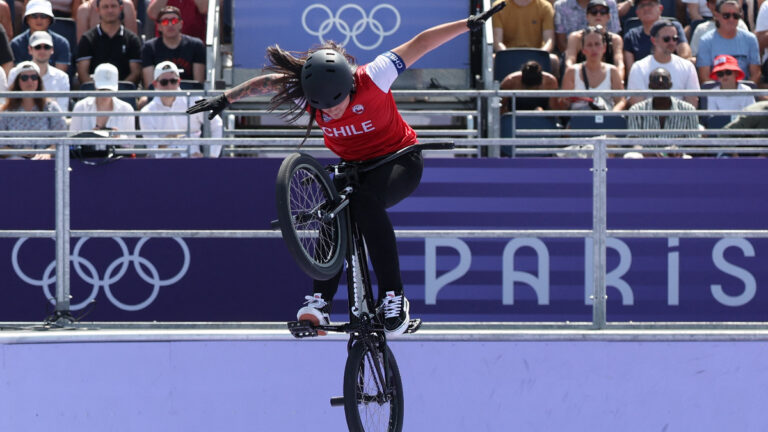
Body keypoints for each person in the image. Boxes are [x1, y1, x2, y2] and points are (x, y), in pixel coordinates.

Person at [187, 5, 506, 335]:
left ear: (349, 85)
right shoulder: (307, 94)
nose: (333, 112)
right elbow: (268, 82)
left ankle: (394, 298)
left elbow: (420, 43)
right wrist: (224, 99)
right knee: (331, 212)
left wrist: (468, 24)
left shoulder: (375, 76)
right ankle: (319, 304)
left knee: (365, 201)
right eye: (324, 107)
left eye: (337, 103)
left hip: (398, 160)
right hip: (354, 166)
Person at [140, 61, 222, 158]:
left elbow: (217, 125)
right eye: (164, 82)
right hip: (162, 164)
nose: (169, 86)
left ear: (179, 82)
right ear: (155, 84)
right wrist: (166, 142)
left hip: (192, 160)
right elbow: (151, 149)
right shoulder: (147, 112)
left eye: (173, 81)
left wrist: (211, 156)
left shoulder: (195, 101)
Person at [0, 61, 66, 159]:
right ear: (17, 82)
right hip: (15, 163)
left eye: (34, 77)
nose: (30, 81)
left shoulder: (51, 108)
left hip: (45, 163)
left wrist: (47, 153)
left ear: (39, 81)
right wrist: (17, 152)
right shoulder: (6, 111)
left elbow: (61, 139)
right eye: (24, 78)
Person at [626, 19, 700, 107]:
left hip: (680, 118)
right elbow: (637, 104)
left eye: (675, 38)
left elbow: (692, 103)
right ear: (654, 40)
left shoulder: (688, 67)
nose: (672, 42)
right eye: (666, 39)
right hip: (647, 119)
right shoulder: (638, 67)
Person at [76, 0, 142, 85]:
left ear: (121, 8)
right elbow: (82, 72)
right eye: (105, 7)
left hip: (124, 93)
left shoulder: (132, 39)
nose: (110, 10)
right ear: (98, 10)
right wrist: (98, 92)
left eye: (113, 6)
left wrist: (119, 91)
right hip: (94, 93)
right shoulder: (87, 39)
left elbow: (135, 72)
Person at [560, 25, 626, 111]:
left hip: (605, 120)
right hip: (579, 121)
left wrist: (611, 115)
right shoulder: (572, 72)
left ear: (604, 47)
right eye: (589, 45)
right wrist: (565, 101)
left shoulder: (613, 71)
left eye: (597, 44)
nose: (594, 49)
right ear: (583, 49)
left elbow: (621, 101)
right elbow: (564, 104)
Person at [622, 0, 691, 80]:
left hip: (674, 77)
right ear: (637, 12)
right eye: (642, 6)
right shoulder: (631, 35)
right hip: (643, 80)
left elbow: (685, 53)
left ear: (660, 9)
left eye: (650, 4)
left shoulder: (673, 27)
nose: (646, 8)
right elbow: (631, 70)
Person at [628, 68, 700, 143]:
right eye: (656, 79)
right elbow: (633, 142)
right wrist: (648, 152)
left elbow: (693, 142)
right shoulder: (636, 110)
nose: (660, 81)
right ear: (650, 85)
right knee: (633, 155)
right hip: (645, 153)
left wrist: (678, 150)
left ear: (670, 84)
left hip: (680, 153)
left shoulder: (688, 110)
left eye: (664, 79)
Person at [697, 0, 761, 83]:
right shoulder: (705, 41)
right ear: (716, 15)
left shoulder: (750, 39)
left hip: (744, 92)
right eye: (726, 16)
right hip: (715, 93)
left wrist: (743, 92)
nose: (731, 19)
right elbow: (704, 77)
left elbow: (756, 74)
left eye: (735, 16)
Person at [141, 5, 205, 88]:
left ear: (181, 24)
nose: (170, 24)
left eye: (174, 21)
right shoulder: (149, 48)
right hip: (160, 95)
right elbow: (150, 86)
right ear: (159, 26)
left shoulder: (196, 45)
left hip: (189, 96)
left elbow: (198, 85)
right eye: (165, 21)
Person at [491, 0, 560, 75]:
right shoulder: (499, 6)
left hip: (537, 54)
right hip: (508, 54)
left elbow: (549, 41)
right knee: (492, 60)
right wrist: (508, 56)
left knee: (554, 60)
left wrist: (540, 54)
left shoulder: (545, 6)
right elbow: (497, 42)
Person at [70, 63, 135, 142]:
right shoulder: (80, 107)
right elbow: (71, 141)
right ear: (94, 85)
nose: (105, 93)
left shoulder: (127, 109)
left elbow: (131, 145)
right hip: (87, 154)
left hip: (119, 154)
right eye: (102, 89)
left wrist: (118, 137)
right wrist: (89, 137)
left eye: (109, 90)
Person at [564, 0, 625, 79]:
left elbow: (619, 63)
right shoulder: (576, 38)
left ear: (608, 17)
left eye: (603, 12)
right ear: (587, 16)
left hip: (608, 81)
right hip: (581, 79)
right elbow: (569, 62)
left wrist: (618, 81)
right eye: (593, 11)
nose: (598, 15)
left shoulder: (615, 39)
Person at [10, 0, 70, 72]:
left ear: (49, 19)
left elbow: (59, 76)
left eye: (43, 16)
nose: (39, 19)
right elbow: (17, 75)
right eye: (34, 15)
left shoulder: (61, 43)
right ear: (27, 19)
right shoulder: (16, 44)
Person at [554, 0, 621, 53]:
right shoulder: (561, 6)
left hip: (606, 58)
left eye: (602, 11)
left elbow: (613, 40)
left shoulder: (610, 3)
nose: (598, 14)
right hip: (574, 57)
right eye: (594, 11)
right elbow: (561, 43)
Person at [500, 60, 565, 112]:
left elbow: (553, 109)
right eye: (527, 88)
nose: (531, 90)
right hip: (514, 117)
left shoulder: (551, 82)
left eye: (535, 88)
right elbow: (501, 109)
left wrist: (542, 113)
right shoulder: (509, 81)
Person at [28, 31, 69, 111]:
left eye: (46, 47)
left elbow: (62, 110)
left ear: (52, 50)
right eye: (37, 47)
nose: (42, 50)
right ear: (30, 49)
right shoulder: (16, 73)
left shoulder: (62, 77)